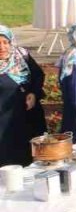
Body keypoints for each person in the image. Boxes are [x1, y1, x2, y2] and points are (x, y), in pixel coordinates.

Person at [0, 26, 47, 164]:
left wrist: (33, 93)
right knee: (11, 164)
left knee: (36, 158)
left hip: (30, 118)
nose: (2, 47)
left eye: (5, 42)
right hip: (6, 125)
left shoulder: (21, 55)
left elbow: (38, 75)